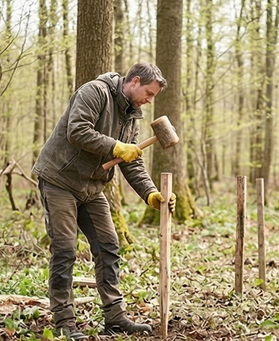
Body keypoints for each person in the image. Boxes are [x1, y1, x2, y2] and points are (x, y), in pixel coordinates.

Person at [32, 62, 176, 339]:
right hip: (59, 180)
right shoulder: (95, 92)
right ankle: (64, 323)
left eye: (152, 96)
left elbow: (131, 162)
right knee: (64, 251)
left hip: (92, 188)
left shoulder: (132, 116)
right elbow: (78, 130)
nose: (149, 99)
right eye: (148, 92)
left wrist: (150, 194)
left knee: (109, 246)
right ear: (134, 81)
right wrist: (115, 145)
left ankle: (115, 317)